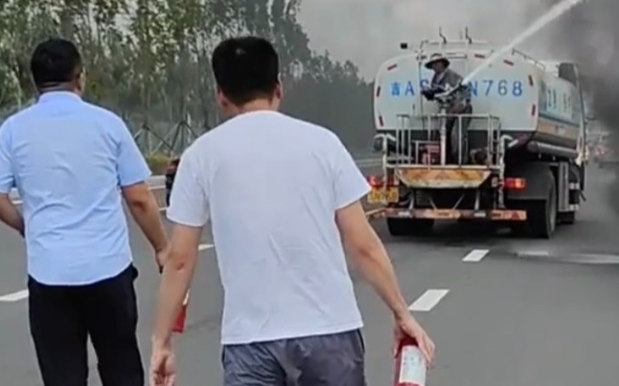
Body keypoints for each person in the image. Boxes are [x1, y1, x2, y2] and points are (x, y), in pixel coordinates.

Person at [150, 36, 434, 386]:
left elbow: (179, 259)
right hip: (330, 335)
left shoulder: (200, 157)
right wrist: (401, 313)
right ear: (278, 88)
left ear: (220, 95)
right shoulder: (323, 144)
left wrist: (161, 342)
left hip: (249, 343)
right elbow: (363, 244)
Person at [0, 38, 170, 386]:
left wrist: (25, 225)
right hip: (108, 271)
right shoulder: (107, 124)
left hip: (49, 276)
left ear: (36, 83)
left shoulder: (12, 130)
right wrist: (162, 247)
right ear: (79, 78)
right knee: (121, 365)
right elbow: (138, 197)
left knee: (62, 375)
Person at [420, 54, 471, 162]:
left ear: (442, 64)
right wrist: (429, 93)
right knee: (442, 133)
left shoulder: (452, 76)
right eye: (433, 64)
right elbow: (437, 94)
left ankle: (460, 161)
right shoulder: (435, 78)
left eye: (436, 63)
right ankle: (445, 159)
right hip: (447, 110)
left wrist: (461, 104)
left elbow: (465, 90)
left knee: (456, 135)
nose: (434, 66)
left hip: (461, 109)